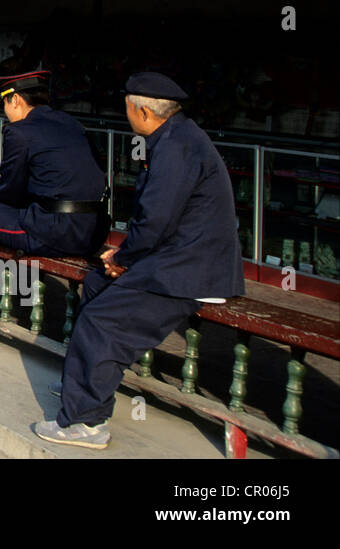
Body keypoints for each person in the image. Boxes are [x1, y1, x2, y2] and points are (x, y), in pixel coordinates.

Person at [34, 72, 246, 450]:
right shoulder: (175, 136)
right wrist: (123, 258)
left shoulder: (176, 147)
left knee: (102, 321)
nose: (126, 113)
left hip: (188, 270)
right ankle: (82, 384)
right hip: (174, 257)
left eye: (128, 107)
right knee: (97, 285)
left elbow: (156, 220)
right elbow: (157, 221)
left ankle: (86, 423)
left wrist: (125, 257)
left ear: (143, 112)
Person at [0, 70, 108, 256]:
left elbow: (8, 191)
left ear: (15, 99)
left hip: (55, 235)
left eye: (4, 102)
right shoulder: (71, 122)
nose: (5, 110)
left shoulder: (20, 132)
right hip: (95, 234)